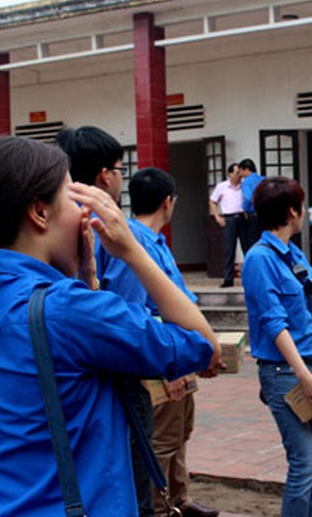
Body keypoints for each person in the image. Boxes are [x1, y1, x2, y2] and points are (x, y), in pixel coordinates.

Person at [0, 136, 220, 515]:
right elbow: (203, 344)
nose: (85, 212)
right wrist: (131, 248)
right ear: (39, 212)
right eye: (74, 197)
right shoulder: (68, 310)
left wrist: (84, 287)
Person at [56, 125, 157, 515]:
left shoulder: (49, 230)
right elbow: (134, 325)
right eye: (119, 169)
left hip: (63, 379)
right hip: (115, 377)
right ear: (104, 175)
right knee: (130, 485)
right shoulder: (117, 233)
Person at [242, 176, 312, 517]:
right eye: (302, 205)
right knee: (303, 465)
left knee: (309, 465)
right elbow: (274, 324)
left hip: (310, 366)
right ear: (293, 211)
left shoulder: (292, 254)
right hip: (285, 373)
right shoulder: (260, 260)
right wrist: (303, 374)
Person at [126, 167, 219, 517]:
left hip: (179, 351)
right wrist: (166, 367)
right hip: (161, 360)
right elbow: (135, 314)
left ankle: (180, 497)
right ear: (168, 202)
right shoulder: (132, 245)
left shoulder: (156, 242)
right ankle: (159, 507)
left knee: (181, 430)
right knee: (161, 440)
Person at [209, 163, 244, 287]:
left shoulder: (244, 186)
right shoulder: (222, 187)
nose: (239, 175)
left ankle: (249, 277)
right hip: (229, 218)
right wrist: (217, 216)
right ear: (230, 174)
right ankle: (228, 278)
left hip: (243, 217)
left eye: (240, 172)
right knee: (229, 249)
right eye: (236, 173)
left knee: (247, 248)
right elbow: (213, 201)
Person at [238, 158, 263, 252]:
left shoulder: (247, 181)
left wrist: (245, 208)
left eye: (240, 171)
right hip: (266, 215)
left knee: (252, 242)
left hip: (254, 215)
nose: (240, 174)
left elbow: (248, 197)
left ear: (247, 169)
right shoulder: (263, 179)